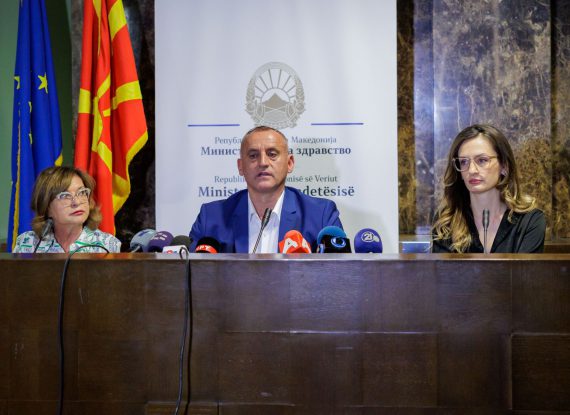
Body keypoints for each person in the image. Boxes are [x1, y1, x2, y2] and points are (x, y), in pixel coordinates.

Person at [189, 126, 343, 253]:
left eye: (272, 154)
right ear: (240, 166)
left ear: (289, 163)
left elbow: (339, 275)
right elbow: (188, 275)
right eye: (253, 155)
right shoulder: (211, 218)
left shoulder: (321, 215)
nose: (263, 162)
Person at [432, 124, 546, 253]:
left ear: (504, 166)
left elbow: (526, 267)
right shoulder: (446, 221)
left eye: (482, 160)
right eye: (464, 161)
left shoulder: (529, 220)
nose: (472, 170)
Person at [13, 166, 121, 253]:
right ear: (46, 206)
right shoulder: (28, 243)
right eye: (65, 196)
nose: (76, 202)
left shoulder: (107, 245)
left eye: (82, 192)